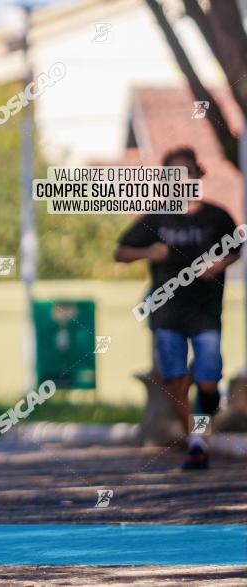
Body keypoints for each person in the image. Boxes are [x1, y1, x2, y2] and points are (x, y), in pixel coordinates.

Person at [114, 147, 241, 470]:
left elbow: (237, 248)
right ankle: (196, 443)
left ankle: (210, 399)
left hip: (205, 311)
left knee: (208, 378)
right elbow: (120, 251)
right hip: (166, 310)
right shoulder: (157, 217)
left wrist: (219, 262)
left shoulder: (217, 216)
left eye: (186, 173)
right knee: (176, 380)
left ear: (198, 174)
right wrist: (148, 252)